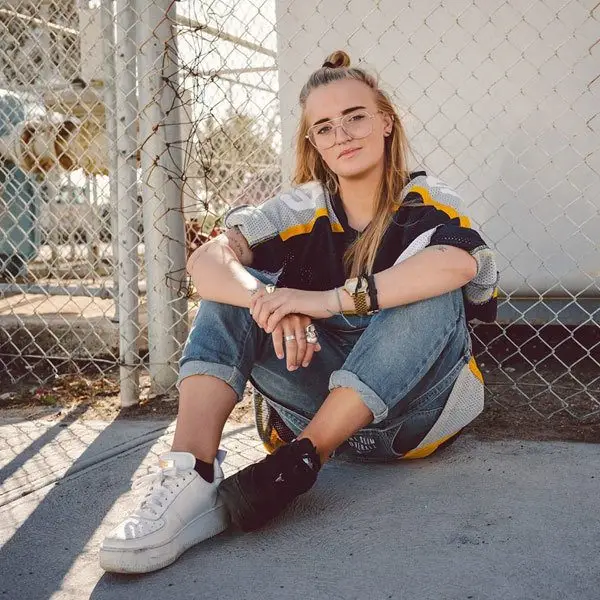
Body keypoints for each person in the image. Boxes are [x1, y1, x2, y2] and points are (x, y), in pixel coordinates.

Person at [99, 50, 499, 574]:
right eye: (325, 128)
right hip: (310, 402)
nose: (343, 135)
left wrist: (322, 301)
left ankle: (303, 460)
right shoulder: (298, 208)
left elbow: (458, 265)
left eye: (355, 117)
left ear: (385, 122)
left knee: (430, 287)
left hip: (417, 417)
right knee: (232, 292)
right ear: (313, 142)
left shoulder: (428, 198)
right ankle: (191, 477)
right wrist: (268, 302)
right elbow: (207, 261)